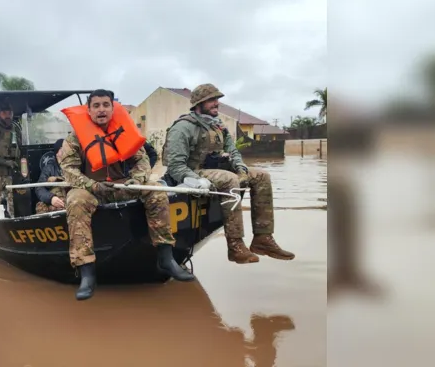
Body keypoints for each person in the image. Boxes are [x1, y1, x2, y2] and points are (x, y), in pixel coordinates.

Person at [59, 89, 195, 301]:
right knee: (75, 201)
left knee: (156, 192)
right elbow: (68, 168)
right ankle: (86, 271)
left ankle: (166, 257)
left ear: (113, 108)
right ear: (89, 110)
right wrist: (91, 185)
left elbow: (141, 161)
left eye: (106, 104)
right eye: (96, 105)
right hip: (91, 189)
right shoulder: (75, 137)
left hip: (124, 185)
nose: (101, 109)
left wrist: (137, 181)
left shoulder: (124, 131)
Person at [161, 83, 295, 264]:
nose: (216, 103)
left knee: (262, 176)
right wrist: (197, 180)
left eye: (217, 99)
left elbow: (233, 152)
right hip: (194, 173)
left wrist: (241, 169)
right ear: (198, 104)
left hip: (217, 171)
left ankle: (263, 238)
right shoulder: (183, 127)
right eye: (211, 100)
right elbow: (175, 166)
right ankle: (235, 246)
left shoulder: (218, 126)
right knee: (230, 179)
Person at [34, 138, 67, 213]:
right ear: (57, 153)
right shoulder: (49, 168)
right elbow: (39, 188)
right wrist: (51, 198)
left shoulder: (75, 167)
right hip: (55, 201)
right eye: (62, 149)